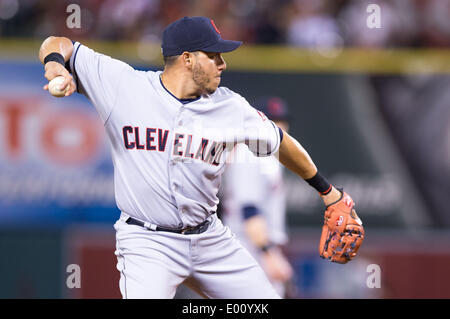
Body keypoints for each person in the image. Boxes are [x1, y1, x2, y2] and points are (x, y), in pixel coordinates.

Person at [38, 16, 355, 299]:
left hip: (210, 239)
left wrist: (328, 192)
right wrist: (54, 66)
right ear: (187, 59)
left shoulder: (231, 107)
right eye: (213, 55)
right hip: (148, 243)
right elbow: (57, 44)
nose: (223, 64)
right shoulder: (124, 85)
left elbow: (281, 142)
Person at [220, 96, 294, 298]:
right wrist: (269, 254)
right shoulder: (249, 153)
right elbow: (249, 210)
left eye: (281, 121)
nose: (279, 127)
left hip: (254, 248)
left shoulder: (267, 154)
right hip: (247, 250)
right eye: (271, 121)